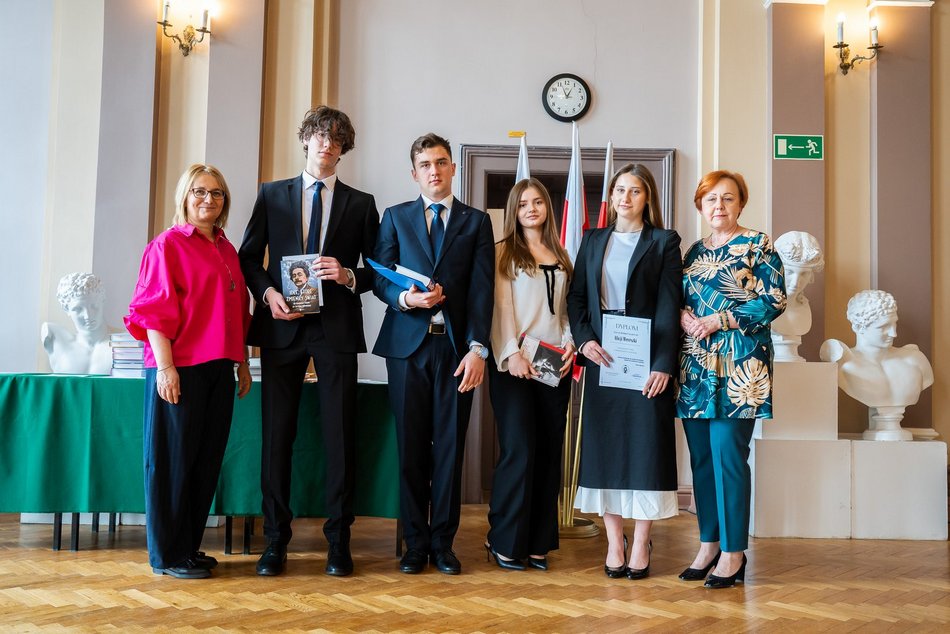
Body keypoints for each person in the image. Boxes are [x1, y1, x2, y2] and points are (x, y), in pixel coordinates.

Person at [239, 106, 379, 577]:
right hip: (282, 325)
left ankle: (339, 543)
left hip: (335, 329)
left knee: (340, 436)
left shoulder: (361, 204)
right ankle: (274, 542)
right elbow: (248, 258)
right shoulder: (271, 194)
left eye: (336, 139)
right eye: (320, 135)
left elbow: (378, 271)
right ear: (306, 140)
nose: (327, 144)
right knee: (277, 436)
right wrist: (267, 294)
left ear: (344, 149)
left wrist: (348, 274)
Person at [372, 133, 494, 575]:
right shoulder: (395, 217)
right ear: (414, 173)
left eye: (441, 162)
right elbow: (379, 277)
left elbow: (482, 291)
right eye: (425, 164)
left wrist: (478, 349)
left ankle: (443, 543)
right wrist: (407, 299)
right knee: (410, 448)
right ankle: (414, 544)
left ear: (453, 168)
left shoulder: (476, 222)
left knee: (449, 447)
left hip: (457, 350)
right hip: (407, 350)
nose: (434, 171)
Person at [125, 164, 252, 579]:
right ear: (185, 197)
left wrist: (242, 363)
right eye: (199, 191)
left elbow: (236, 311)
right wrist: (165, 368)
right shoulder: (166, 246)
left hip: (219, 367)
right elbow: (153, 313)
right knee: (172, 462)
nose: (208, 199)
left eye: (216, 193)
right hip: (179, 366)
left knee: (204, 460)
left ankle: (188, 547)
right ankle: (167, 554)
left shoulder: (226, 249)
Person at [566, 163, 682, 581]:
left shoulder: (664, 241)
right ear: (611, 196)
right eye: (619, 190)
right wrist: (584, 341)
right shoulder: (593, 239)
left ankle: (642, 541)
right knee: (606, 450)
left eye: (635, 191)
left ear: (647, 198)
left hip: (646, 361)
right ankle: (615, 542)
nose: (626, 197)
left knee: (646, 449)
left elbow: (669, 305)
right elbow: (577, 298)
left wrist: (664, 364)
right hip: (604, 358)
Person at [677, 170, 786, 588]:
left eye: (727, 198)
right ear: (700, 206)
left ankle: (734, 552)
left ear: (741, 203)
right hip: (695, 368)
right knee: (701, 460)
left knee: (728, 458)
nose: (719, 206)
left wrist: (719, 320)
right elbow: (678, 299)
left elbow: (774, 300)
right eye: (711, 199)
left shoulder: (758, 244)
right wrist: (682, 316)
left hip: (740, 367)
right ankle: (708, 544)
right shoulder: (692, 252)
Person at [486, 178, 575, 571]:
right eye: (523, 204)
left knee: (548, 452)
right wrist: (511, 353)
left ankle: (538, 542)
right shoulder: (503, 252)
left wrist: (570, 343)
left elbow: (567, 310)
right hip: (515, 366)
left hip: (553, 366)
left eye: (537, 202)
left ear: (547, 208)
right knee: (519, 449)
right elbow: (500, 308)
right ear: (514, 210)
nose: (531, 209)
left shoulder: (562, 253)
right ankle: (503, 538)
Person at [819, 290, 933, 440]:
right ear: (858, 327)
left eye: (894, 324)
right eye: (883, 327)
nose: (893, 333)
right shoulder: (845, 364)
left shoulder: (915, 360)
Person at [42, 272, 112, 375]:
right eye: (78, 309)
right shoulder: (55, 340)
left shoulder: (126, 342)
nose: (88, 316)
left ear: (102, 300)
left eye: (94, 306)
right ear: (66, 309)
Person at [771, 231, 824, 362]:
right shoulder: (761, 306)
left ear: (811, 275)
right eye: (789, 272)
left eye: (804, 274)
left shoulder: (805, 309)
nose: (796, 283)